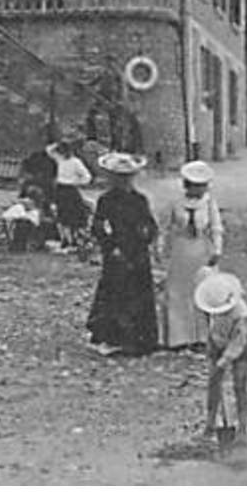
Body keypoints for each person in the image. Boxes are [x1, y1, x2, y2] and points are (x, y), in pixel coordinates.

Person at [86, 152, 159, 357]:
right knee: (115, 293)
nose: (122, 181)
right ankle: (112, 337)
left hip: (138, 252)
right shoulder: (106, 200)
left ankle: (140, 339)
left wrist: (146, 235)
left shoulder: (140, 200)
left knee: (139, 293)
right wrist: (110, 246)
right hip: (116, 252)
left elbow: (150, 225)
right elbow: (99, 226)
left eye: (126, 177)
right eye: (118, 177)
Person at [158, 161, 224, 350]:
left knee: (202, 290)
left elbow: (216, 228)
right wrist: (162, 250)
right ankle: (178, 337)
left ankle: (202, 337)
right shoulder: (176, 203)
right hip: (181, 250)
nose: (200, 190)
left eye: (203, 185)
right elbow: (165, 228)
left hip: (202, 249)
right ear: (187, 185)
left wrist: (217, 250)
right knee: (178, 292)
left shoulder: (209, 203)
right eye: (195, 185)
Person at [194, 271, 247, 445]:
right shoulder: (212, 304)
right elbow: (212, 328)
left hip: (241, 347)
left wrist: (225, 360)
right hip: (218, 343)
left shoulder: (242, 315)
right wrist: (213, 349)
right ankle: (210, 423)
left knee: (240, 384)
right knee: (213, 383)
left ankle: (243, 430)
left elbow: (239, 342)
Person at [49, 138, 92, 247]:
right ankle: (65, 239)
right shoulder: (59, 159)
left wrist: (78, 182)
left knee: (73, 215)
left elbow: (87, 176)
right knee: (62, 215)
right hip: (60, 189)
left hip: (70, 189)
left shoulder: (75, 162)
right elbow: (49, 150)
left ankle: (74, 239)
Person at [1, 188, 47, 252]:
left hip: (16, 224)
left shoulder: (33, 210)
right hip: (13, 225)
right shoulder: (20, 207)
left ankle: (32, 244)